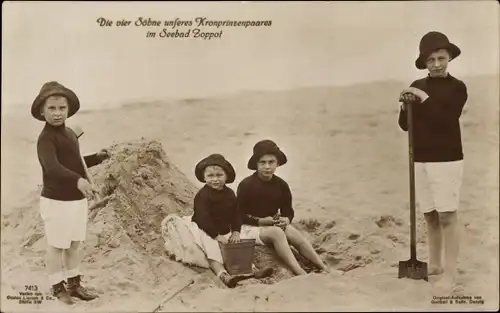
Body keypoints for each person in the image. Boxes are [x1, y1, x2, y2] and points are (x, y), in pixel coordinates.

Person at [398, 31, 468, 291]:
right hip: (421, 159)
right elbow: (406, 126)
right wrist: (405, 107)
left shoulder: (457, 87)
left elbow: (445, 121)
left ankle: (450, 274)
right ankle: (436, 264)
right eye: (431, 60)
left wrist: (423, 100)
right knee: (430, 215)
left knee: (447, 216)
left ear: (449, 57)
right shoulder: (417, 84)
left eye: (441, 58)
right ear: (424, 63)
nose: (437, 64)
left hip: (447, 159)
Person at [32, 81, 110, 304]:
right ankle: (58, 288)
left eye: (62, 108)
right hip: (56, 201)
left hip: (77, 201)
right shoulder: (45, 139)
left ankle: (74, 285)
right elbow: (53, 167)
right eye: (52, 108)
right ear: (41, 111)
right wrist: (78, 181)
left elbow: (75, 162)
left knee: (74, 245)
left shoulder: (69, 134)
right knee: (57, 246)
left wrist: (96, 158)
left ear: (68, 110)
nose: (57, 113)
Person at [237, 140, 330, 275]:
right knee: (278, 233)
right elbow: (237, 215)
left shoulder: (281, 185)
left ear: (278, 163)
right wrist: (261, 221)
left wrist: (286, 220)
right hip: (248, 227)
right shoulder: (246, 185)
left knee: (294, 235)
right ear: (256, 164)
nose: (267, 167)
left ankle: (323, 267)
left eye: (271, 162)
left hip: (271, 224)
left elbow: (288, 211)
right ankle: (299, 271)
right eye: (262, 163)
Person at [191, 153, 273, 288]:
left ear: (226, 176)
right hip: (205, 229)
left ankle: (251, 269)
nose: (215, 179)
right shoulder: (202, 196)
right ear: (204, 177)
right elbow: (202, 218)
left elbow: (236, 214)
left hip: (224, 227)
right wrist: (216, 235)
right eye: (210, 176)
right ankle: (223, 275)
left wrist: (235, 231)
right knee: (212, 251)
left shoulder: (229, 194)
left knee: (238, 244)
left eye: (219, 175)